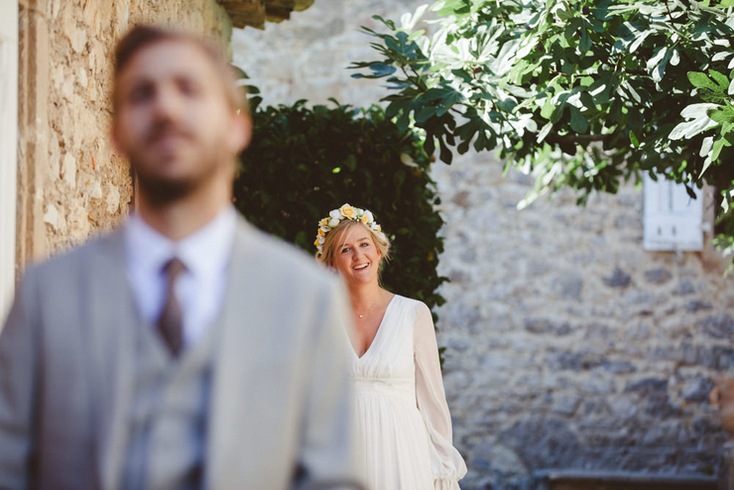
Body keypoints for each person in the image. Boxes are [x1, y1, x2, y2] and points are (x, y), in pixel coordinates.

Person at [0, 25, 362, 490]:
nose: (166, 108)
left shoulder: (307, 299)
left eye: (188, 89)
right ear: (116, 133)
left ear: (236, 126)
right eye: (142, 94)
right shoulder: (46, 294)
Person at [315, 204, 467, 489]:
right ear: (331, 262)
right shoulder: (320, 319)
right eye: (346, 249)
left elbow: (432, 402)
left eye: (364, 244)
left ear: (378, 251)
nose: (358, 255)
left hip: (402, 455)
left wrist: (442, 472)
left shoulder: (413, 314)